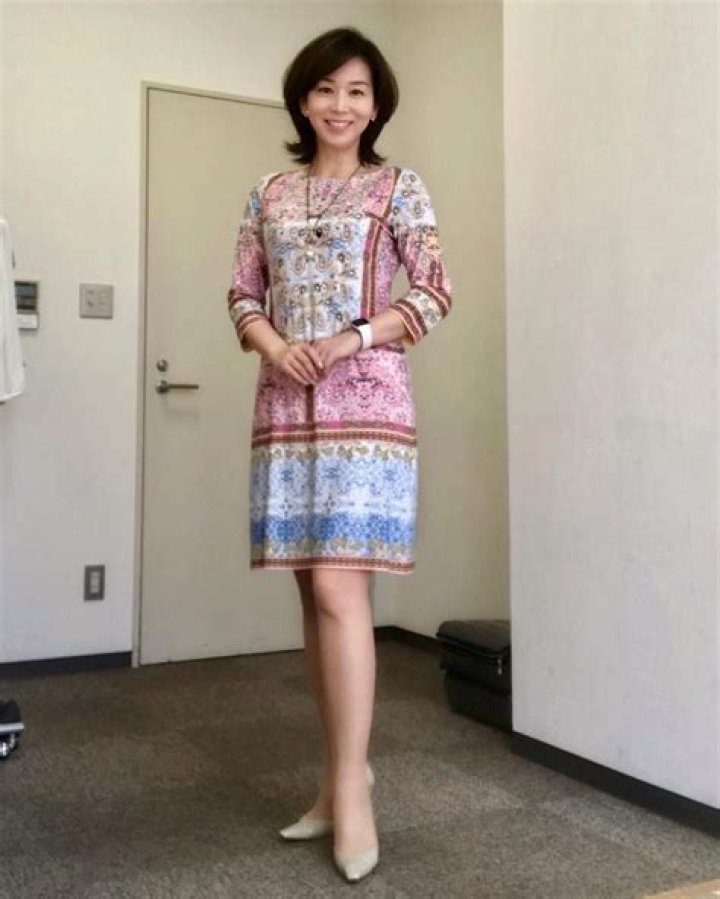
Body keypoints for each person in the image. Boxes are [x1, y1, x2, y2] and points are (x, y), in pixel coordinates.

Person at [227, 26, 452, 883]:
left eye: (357, 91)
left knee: (336, 587)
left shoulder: (399, 188)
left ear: (377, 103)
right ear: (302, 98)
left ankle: (355, 790)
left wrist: (352, 336)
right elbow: (243, 292)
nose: (340, 105)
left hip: (368, 405)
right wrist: (273, 345)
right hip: (286, 405)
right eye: (325, 89)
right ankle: (335, 778)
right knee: (310, 595)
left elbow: (434, 291)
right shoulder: (268, 192)